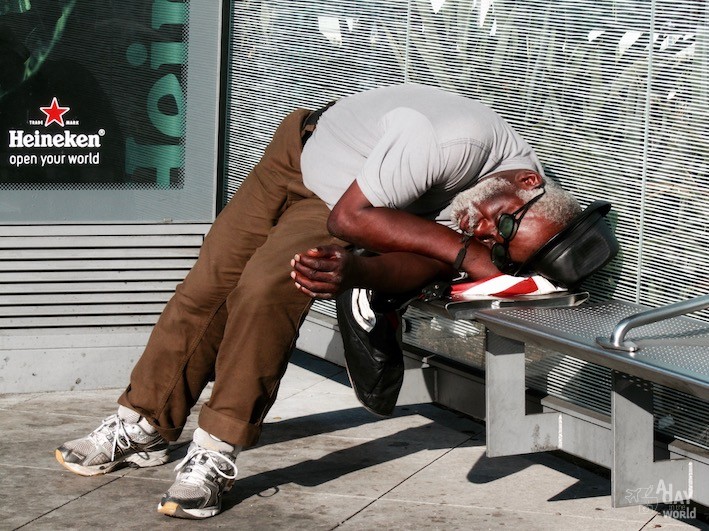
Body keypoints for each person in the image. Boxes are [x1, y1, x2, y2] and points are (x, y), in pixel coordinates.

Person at [54, 83, 581, 519]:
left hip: (341, 197)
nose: (486, 232)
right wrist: (470, 255)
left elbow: (411, 259)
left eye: (499, 243)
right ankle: (143, 423)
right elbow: (351, 222)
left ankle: (215, 451)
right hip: (299, 156)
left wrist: (361, 268)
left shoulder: (473, 209)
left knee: (267, 291)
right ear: (528, 182)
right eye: (503, 222)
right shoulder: (455, 148)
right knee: (207, 287)